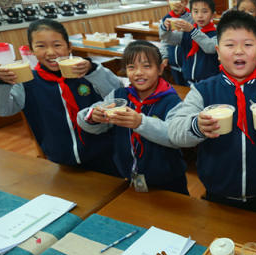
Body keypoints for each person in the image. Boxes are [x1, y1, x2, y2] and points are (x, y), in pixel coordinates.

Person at [168, 10, 256, 217]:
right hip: (217, 192)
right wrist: (197, 125)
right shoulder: (203, 90)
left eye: (248, 45)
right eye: (230, 45)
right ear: (218, 51)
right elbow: (174, 131)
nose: (239, 51)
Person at [0, 19, 120, 176]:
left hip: (106, 152)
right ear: (31, 50)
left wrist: (94, 71)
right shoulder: (27, 82)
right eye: (41, 46)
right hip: (61, 158)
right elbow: (0, 109)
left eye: (57, 45)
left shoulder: (89, 73)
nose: (50, 52)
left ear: (69, 47)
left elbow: (117, 94)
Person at [78, 41, 188, 195]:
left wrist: (141, 123)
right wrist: (93, 117)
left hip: (168, 179)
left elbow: (176, 137)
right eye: (131, 67)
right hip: (129, 175)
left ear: (160, 68)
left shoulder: (172, 102)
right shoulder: (119, 96)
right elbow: (85, 118)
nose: (138, 72)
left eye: (147, 66)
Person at [168, 0, 218, 85]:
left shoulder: (217, 33)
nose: (200, 16)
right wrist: (165, 28)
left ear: (212, 15)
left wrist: (192, 31)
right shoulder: (187, 31)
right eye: (195, 11)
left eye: (204, 11)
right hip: (189, 81)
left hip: (209, 83)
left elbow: (210, 48)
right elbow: (170, 40)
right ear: (191, 14)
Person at [159, 0, 193, 86]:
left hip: (189, 65)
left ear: (186, 2)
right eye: (173, 2)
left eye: (180, 2)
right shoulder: (165, 20)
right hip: (174, 66)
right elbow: (164, 40)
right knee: (179, 90)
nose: (177, 6)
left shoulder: (192, 19)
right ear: (168, 1)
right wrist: (165, 55)